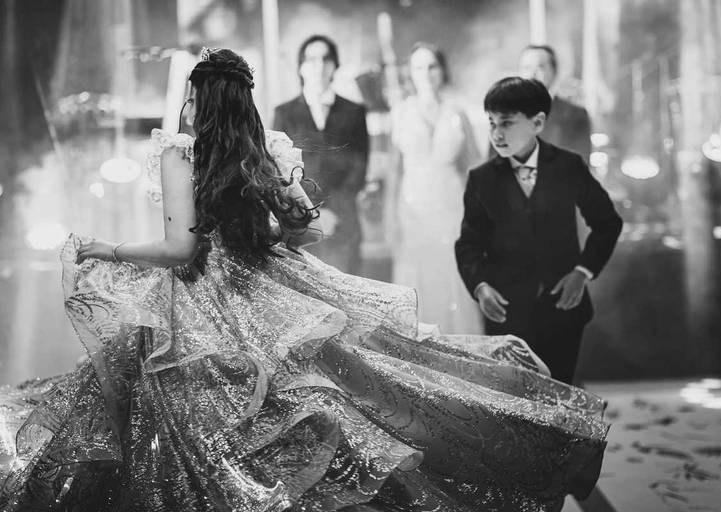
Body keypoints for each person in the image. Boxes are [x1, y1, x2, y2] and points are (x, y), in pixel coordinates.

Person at [0, 50, 608, 511]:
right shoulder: (262, 150)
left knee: (206, 415)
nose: (185, 106)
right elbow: (303, 230)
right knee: (356, 384)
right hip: (274, 285)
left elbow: (181, 248)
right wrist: (270, 222)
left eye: (190, 96)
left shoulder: (180, 154)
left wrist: (105, 248)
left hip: (205, 296)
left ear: (199, 100)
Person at [456, 77, 623, 385]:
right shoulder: (481, 179)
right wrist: (480, 286)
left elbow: (607, 224)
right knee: (515, 396)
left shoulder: (568, 166)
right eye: (492, 123)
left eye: (507, 123)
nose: (496, 133)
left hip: (562, 306)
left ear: (537, 123)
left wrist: (582, 272)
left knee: (559, 391)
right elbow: (468, 244)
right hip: (506, 309)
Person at [390, 42, 482, 334]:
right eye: (418, 67)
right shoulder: (401, 112)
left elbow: (473, 167)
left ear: (442, 71)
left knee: (452, 272)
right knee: (416, 275)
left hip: (451, 204)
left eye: (432, 66)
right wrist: (390, 218)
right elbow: (394, 171)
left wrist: (477, 216)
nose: (426, 73)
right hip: (412, 206)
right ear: (410, 73)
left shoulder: (457, 112)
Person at [273, 35, 368, 275]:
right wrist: (313, 213)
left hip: (343, 220)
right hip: (300, 223)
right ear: (301, 67)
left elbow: (359, 167)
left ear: (335, 65)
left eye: (326, 59)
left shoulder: (355, 112)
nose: (319, 65)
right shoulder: (284, 114)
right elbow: (279, 170)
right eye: (312, 59)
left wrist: (332, 211)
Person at [490, 45, 592, 164]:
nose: (532, 74)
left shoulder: (575, 115)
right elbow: (492, 165)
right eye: (527, 68)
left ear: (554, 72)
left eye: (540, 67)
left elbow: (580, 164)